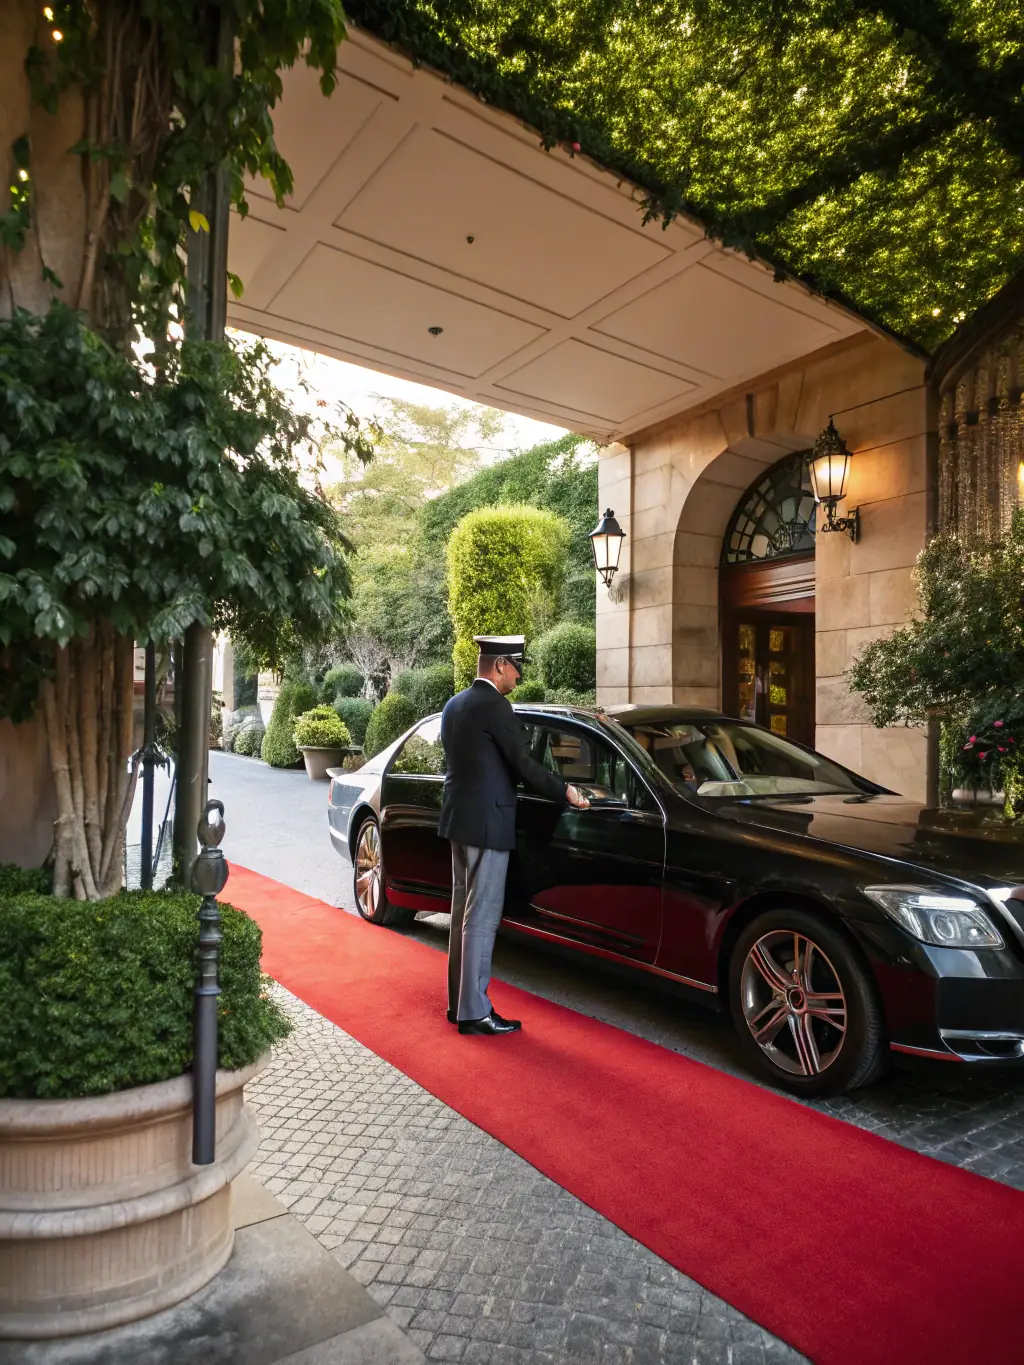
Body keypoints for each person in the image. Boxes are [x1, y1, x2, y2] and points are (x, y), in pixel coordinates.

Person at [439, 635, 590, 1035]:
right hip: (489, 824)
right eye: (516, 667)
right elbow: (524, 765)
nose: (519, 676)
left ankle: (458, 1004)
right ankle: (474, 1012)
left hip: (459, 821)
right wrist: (567, 791)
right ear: (499, 665)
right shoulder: (496, 707)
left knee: (461, 915)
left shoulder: (454, 705)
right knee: (481, 918)